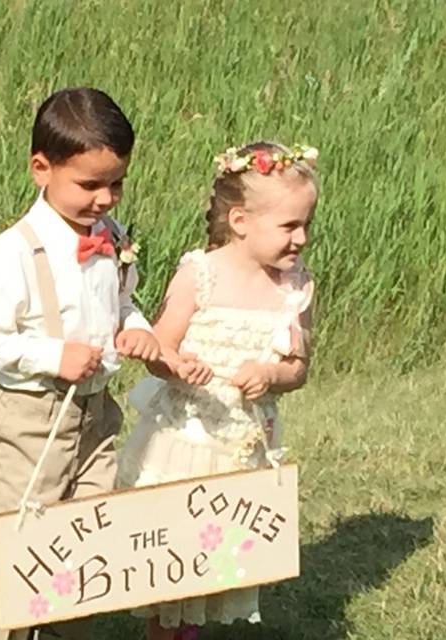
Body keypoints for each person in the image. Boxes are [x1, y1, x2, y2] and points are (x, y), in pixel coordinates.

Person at [0, 87, 160, 640]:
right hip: (32, 416)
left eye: (116, 183)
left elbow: (122, 300)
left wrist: (136, 329)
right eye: (89, 185)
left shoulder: (111, 239)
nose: (106, 198)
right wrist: (53, 355)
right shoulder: (13, 252)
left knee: (85, 539)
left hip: (96, 416)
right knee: (19, 544)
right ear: (41, 169)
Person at [117, 141, 319, 640]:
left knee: (211, 563)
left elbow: (299, 368)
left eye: (307, 224)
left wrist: (272, 375)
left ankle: (186, 632)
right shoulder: (200, 274)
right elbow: (159, 348)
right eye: (289, 226)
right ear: (241, 220)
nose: (302, 238)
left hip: (243, 445)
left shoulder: (296, 287)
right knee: (171, 566)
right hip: (186, 438)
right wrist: (177, 365)